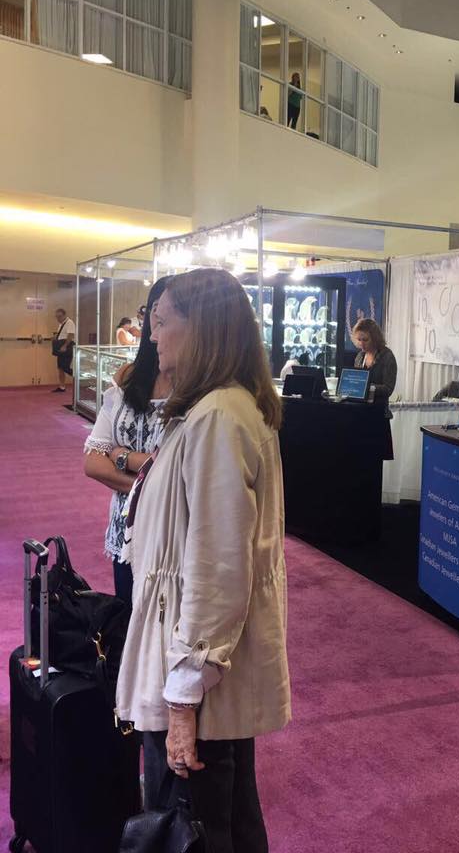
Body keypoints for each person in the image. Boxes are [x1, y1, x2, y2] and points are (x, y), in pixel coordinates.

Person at [115, 268, 290, 853]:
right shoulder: (215, 410)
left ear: (203, 329)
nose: (152, 337)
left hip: (199, 681)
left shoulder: (217, 416)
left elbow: (218, 569)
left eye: (162, 322)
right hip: (202, 673)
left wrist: (183, 699)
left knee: (199, 828)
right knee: (226, 821)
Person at [84, 278, 171, 605]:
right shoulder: (128, 377)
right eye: (156, 315)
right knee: (127, 620)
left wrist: (122, 456)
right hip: (126, 532)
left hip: (170, 539)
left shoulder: (197, 388)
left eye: (169, 317)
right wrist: (150, 483)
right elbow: (93, 462)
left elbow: (177, 470)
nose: (159, 327)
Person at [352, 317, 397, 402]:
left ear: (375, 338)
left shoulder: (387, 356)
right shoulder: (360, 356)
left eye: (365, 340)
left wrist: (368, 387)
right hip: (360, 406)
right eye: (359, 339)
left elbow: (388, 389)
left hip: (378, 408)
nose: (361, 344)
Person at [51, 307, 75, 394]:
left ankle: (80, 379)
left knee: (65, 367)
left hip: (67, 347)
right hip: (61, 347)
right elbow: (62, 335)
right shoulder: (61, 324)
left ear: (64, 315)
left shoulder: (69, 323)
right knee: (60, 367)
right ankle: (62, 386)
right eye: (57, 317)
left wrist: (65, 346)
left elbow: (70, 335)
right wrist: (55, 337)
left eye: (60, 316)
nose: (58, 318)